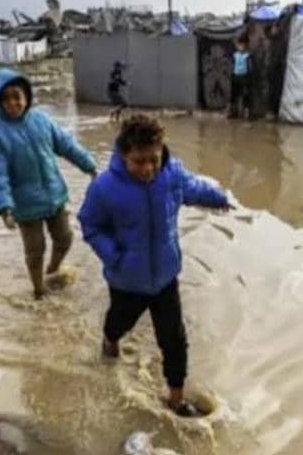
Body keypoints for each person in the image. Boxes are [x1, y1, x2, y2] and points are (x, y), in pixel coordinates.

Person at [78, 114, 232, 417]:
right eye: (139, 161)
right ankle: (110, 340)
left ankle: (176, 399)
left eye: (154, 160)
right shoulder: (104, 188)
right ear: (124, 155)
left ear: (162, 152)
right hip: (126, 280)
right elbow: (90, 225)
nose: (148, 168)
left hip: (165, 277)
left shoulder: (171, 174)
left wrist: (219, 198)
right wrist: (114, 257)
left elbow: (192, 187)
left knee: (174, 340)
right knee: (119, 322)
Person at [0, 67, 98, 300]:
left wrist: (90, 166)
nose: (12, 103)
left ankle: (53, 269)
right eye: (5, 99)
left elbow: (67, 145)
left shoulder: (42, 120)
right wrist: (5, 208)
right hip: (25, 206)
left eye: (16, 96)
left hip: (54, 196)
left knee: (65, 238)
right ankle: (38, 289)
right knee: (35, 250)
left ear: (27, 96)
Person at [228, 37, 251, 119]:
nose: (241, 47)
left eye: (243, 45)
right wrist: (231, 74)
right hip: (236, 76)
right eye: (240, 45)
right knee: (234, 95)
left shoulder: (248, 55)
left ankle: (246, 112)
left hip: (244, 77)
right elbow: (232, 65)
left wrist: (249, 76)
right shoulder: (235, 55)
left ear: (246, 45)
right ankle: (233, 111)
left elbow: (250, 66)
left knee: (245, 95)